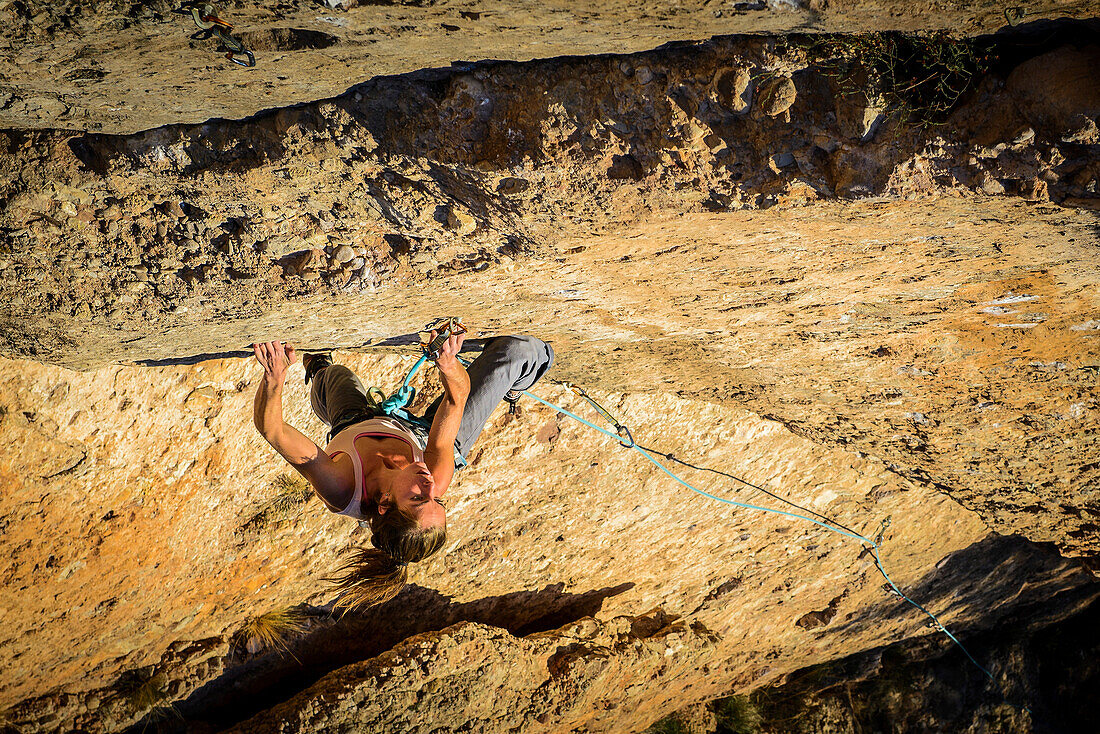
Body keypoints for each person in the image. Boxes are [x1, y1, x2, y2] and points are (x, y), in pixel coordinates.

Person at [251, 333, 554, 611]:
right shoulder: (436, 475)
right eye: (438, 500)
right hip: (424, 439)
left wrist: (274, 377)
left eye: (420, 499)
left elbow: (273, 430)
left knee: (334, 377)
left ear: (384, 503)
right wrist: (447, 363)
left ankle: (317, 370)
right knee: (517, 353)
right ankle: (514, 387)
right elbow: (456, 398)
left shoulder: (341, 486)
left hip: (355, 425)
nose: (431, 487)